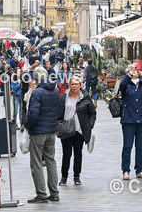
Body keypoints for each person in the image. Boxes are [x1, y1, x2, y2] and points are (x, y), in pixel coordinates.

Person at [25, 67, 60, 203]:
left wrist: (27, 125)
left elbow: (33, 113)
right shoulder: (55, 91)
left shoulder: (37, 92)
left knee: (36, 163)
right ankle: (54, 192)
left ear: (35, 79)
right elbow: (59, 110)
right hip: (51, 131)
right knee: (51, 161)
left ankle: (41, 193)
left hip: (38, 132)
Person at [117, 60, 142, 180]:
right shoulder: (126, 84)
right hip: (128, 118)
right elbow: (121, 87)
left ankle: (139, 169)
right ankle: (125, 170)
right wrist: (129, 74)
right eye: (133, 70)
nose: (135, 72)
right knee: (127, 145)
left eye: (137, 70)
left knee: (140, 146)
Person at [58, 76, 96, 186]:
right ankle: (64, 176)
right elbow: (60, 112)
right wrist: (58, 124)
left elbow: (92, 113)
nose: (74, 86)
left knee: (78, 154)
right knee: (66, 154)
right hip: (66, 130)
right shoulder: (65, 97)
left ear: (80, 85)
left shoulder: (85, 97)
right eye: (72, 84)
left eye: (76, 84)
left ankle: (76, 176)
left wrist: (90, 125)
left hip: (80, 130)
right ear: (70, 85)